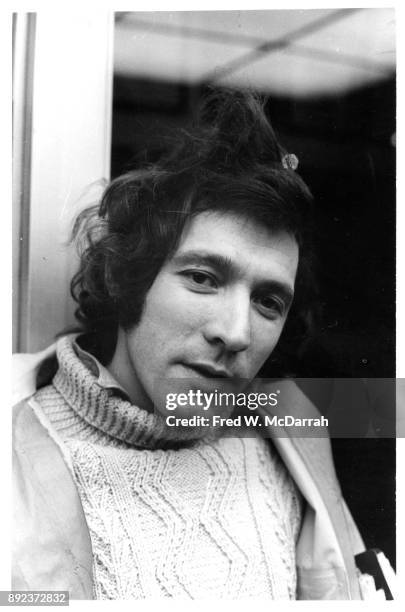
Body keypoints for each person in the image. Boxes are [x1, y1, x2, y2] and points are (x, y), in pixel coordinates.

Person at [12, 90, 389, 600]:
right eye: (203, 278)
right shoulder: (11, 452)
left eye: (268, 302)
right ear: (128, 278)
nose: (236, 332)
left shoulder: (297, 442)